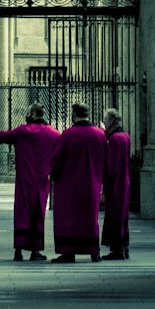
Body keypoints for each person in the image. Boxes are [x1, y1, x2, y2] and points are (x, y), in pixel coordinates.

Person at [0, 103, 60, 260]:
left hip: (24, 181)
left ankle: (18, 250)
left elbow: (0, 136)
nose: (26, 113)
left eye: (28, 111)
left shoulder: (22, 132)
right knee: (38, 214)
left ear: (33, 114)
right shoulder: (53, 133)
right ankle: (35, 251)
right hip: (42, 181)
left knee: (22, 213)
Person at [49, 102, 106, 262]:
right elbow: (105, 158)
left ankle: (68, 252)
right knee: (90, 218)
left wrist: (53, 175)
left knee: (69, 219)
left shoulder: (68, 134)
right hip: (92, 184)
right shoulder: (99, 134)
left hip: (69, 186)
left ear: (74, 114)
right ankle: (94, 252)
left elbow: (56, 160)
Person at [101, 108, 131, 259]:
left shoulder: (114, 139)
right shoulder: (125, 136)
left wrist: (104, 183)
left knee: (114, 216)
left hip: (115, 184)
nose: (104, 123)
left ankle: (117, 250)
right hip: (124, 181)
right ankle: (124, 247)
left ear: (112, 121)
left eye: (105, 120)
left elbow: (111, 166)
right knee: (122, 216)